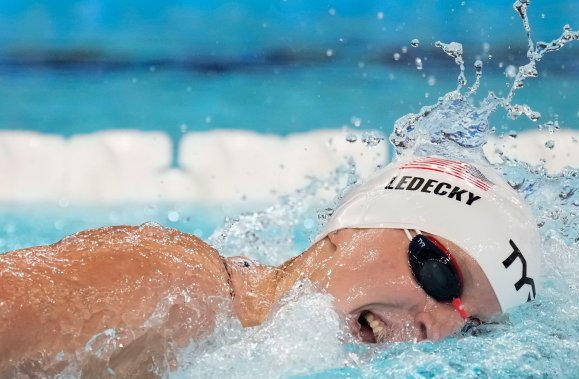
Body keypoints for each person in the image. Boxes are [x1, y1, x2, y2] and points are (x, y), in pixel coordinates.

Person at [0, 156, 540, 377]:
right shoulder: (181, 288)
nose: (438, 329)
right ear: (352, 229)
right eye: (440, 273)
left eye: (471, 326)